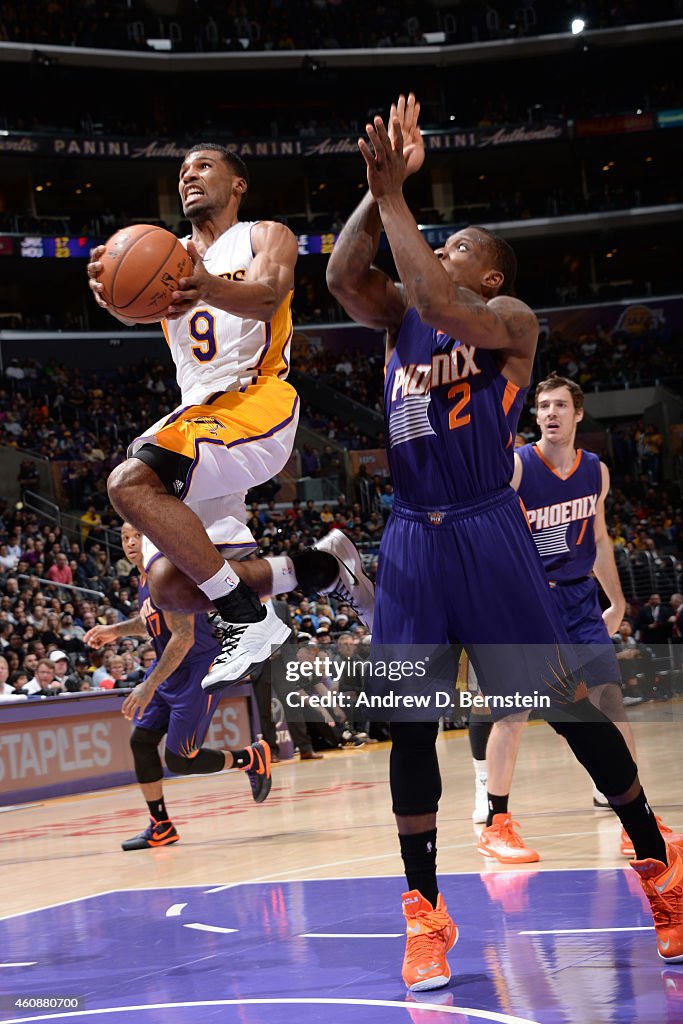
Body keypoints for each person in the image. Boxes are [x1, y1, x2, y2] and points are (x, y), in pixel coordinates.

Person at [326, 92, 683, 991]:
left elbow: (440, 298)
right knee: (408, 729)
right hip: (410, 536)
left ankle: (659, 868)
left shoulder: (509, 323)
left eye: (458, 248)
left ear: (490, 276)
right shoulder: (399, 317)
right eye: (434, 241)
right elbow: (339, 276)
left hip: (488, 528)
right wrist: (378, 191)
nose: (438, 253)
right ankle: (423, 915)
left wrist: (403, 203)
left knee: (562, 705)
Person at [87, 143, 304, 688]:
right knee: (169, 585)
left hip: (255, 399)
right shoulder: (167, 252)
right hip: (198, 415)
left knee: (129, 481)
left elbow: (267, 296)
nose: (189, 176)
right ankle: (323, 568)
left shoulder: (263, 235)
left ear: (238, 184)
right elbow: (136, 307)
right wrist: (112, 295)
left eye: (203, 167)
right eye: (183, 171)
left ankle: (248, 617)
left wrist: (208, 284)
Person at [470, 373, 683, 861]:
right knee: (514, 712)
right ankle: (497, 822)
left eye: (559, 405)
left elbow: (601, 539)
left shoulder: (596, 471)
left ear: (578, 413)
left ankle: (636, 820)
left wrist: (619, 601)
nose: (549, 413)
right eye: (542, 406)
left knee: (611, 705)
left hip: (579, 600)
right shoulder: (518, 467)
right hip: (527, 602)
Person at [84, 523, 272, 851]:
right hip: (169, 667)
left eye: (136, 536)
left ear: (151, 538)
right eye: (124, 537)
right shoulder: (145, 579)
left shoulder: (167, 573)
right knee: (142, 741)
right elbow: (153, 623)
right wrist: (117, 629)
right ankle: (161, 825)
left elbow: (183, 637)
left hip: (198, 667)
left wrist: (146, 686)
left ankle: (250, 758)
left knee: (180, 760)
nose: (129, 543)